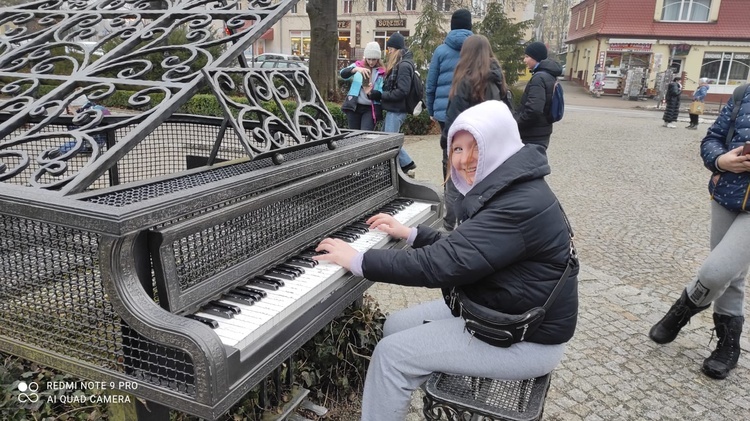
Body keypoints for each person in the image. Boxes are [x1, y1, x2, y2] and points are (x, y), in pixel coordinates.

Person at [314, 100, 579, 421]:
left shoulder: (519, 204)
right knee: (395, 326)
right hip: (497, 307)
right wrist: (411, 233)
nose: (464, 159)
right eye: (457, 148)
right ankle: (438, 385)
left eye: (475, 147)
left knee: (390, 356)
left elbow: (442, 265)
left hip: (524, 336)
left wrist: (359, 260)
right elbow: (470, 249)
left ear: (499, 142)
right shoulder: (512, 186)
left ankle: (415, 388)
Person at [649, 85, 750, 380]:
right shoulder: (743, 94)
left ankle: (681, 310)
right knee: (734, 276)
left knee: (717, 271)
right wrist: (721, 161)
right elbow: (713, 139)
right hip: (727, 195)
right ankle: (728, 346)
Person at [439, 34, 509, 231]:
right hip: (489, 145)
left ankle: (450, 227)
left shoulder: (465, 81)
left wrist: (446, 144)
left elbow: (453, 118)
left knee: (456, 185)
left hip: (466, 144)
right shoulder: (497, 81)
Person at [367, 33, 417, 178]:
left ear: (396, 50)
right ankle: (402, 167)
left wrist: (380, 95)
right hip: (393, 109)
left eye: (390, 50)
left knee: (390, 142)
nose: (388, 53)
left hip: (397, 109)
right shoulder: (401, 65)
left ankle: (406, 165)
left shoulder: (403, 66)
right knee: (387, 140)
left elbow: (402, 91)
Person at [513, 41, 562, 149]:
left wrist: (516, 123)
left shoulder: (538, 78)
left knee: (527, 164)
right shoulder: (549, 75)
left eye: (527, 57)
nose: (524, 60)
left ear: (536, 57)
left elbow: (534, 110)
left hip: (533, 135)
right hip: (543, 131)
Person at [339, 42, 386, 131]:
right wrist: (355, 70)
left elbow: (382, 93)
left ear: (378, 59)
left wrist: (371, 92)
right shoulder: (358, 65)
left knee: (365, 134)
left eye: (374, 59)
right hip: (354, 106)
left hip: (370, 108)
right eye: (369, 59)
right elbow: (342, 74)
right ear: (365, 57)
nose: (371, 62)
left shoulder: (382, 72)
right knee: (354, 135)